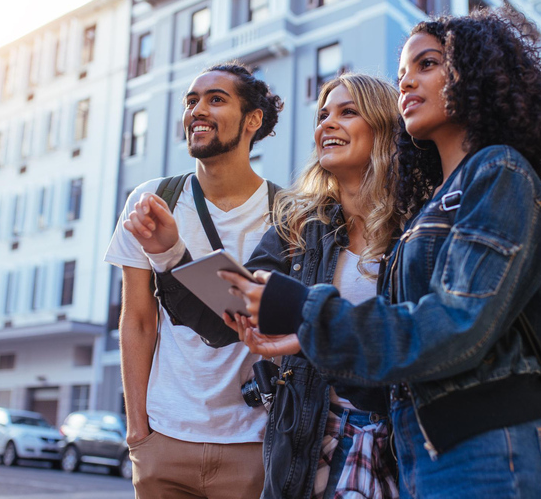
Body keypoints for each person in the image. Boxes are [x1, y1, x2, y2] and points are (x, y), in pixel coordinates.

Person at [220, 8, 541, 499]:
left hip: (493, 449)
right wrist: (309, 341)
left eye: (428, 64)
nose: (408, 81)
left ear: (477, 74)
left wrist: (307, 314)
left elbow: (454, 326)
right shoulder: (433, 210)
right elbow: (399, 360)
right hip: (426, 454)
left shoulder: (500, 174)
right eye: (401, 74)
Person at [136, 73, 402, 499]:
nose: (327, 124)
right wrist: (170, 253)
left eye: (347, 112)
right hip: (310, 442)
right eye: (322, 114)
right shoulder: (297, 225)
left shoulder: (417, 228)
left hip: (399, 440)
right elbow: (229, 320)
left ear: (386, 126)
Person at [104, 62, 283, 499]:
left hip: (252, 443)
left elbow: (252, 324)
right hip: (165, 439)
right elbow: (138, 322)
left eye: (215, 99)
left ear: (252, 120)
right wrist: (138, 431)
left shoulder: (288, 212)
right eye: (191, 101)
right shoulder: (153, 200)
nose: (196, 111)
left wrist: (172, 253)